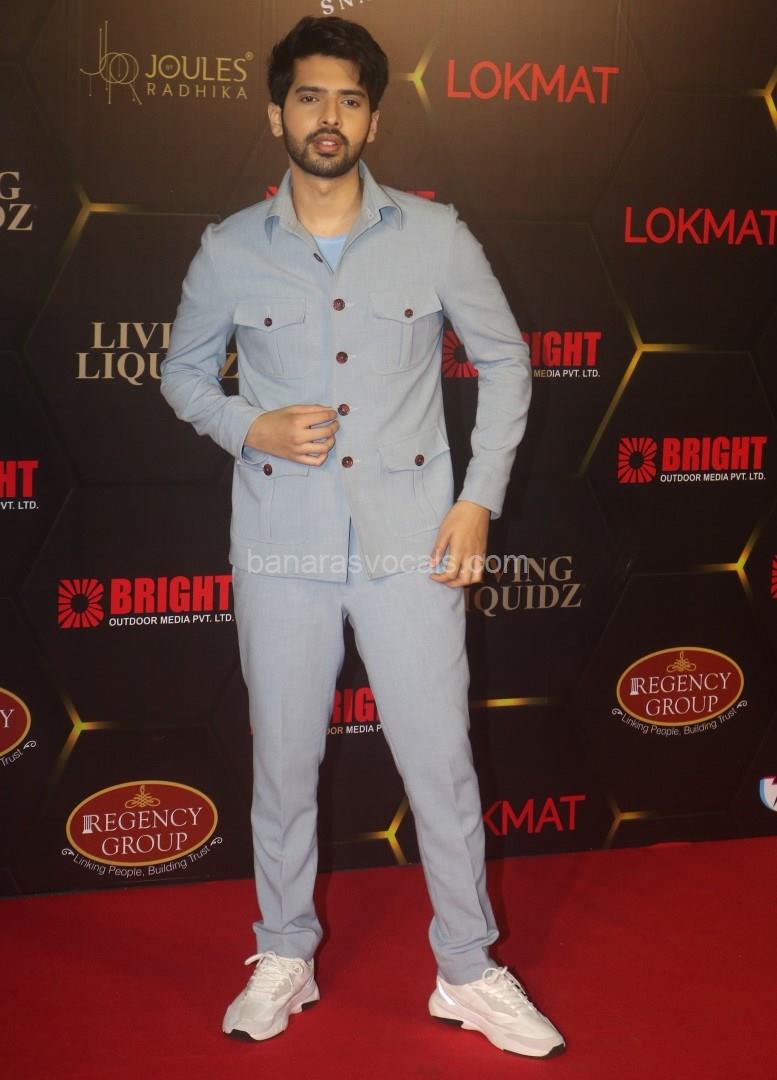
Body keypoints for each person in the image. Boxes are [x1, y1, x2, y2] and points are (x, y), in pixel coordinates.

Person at [160, 15, 565, 1060]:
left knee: (441, 766)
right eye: (309, 97)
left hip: (413, 547)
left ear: (373, 117)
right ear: (277, 114)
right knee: (284, 767)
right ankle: (283, 954)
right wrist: (247, 425)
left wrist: (478, 500)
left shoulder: (436, 236)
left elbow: (507, 363)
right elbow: (181, 375)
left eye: (347, 99)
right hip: (281, 550)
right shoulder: (227, 250)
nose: (328, 116)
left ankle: (466, 969)